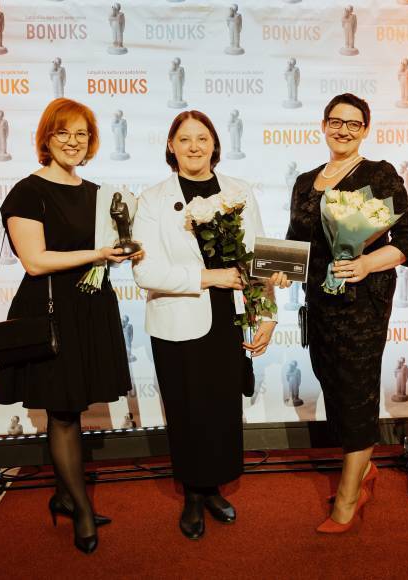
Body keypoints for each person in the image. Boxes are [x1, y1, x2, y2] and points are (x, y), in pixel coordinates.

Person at [0, 98, 138, 555]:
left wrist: (125, 251)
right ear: (46, 137)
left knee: (74, 405)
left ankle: (63, 495)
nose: (73, 142)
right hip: (50, 310)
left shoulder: (99, 194)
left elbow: (109, 246)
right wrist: (98, 254)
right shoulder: (27, 192)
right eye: (63, 133)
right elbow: (35, 262)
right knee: (62, 412)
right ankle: (80, 510)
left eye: (82, 134)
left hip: (91, 309)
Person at [131, 110, 281, 541]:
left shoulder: (239, 191)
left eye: (202, 138)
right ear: (171, 146)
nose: (194, 146)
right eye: (184, 139)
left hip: (227, 318)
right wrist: (209, 277)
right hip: (177, 319)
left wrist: (268, 314)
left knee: (220, 409)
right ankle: (192, 495)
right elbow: (145, 273)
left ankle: (213, 487)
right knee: (185, 411)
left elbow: (258, 258)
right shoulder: (153, 199)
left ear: (215, 144)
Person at [285, 93, 408, 533]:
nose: (343, 130)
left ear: (365, 129)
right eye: (335, 121)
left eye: (353, 123)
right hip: (319, 304)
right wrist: (275, 272)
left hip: (362, 306)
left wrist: (366, 263)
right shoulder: (305, 182)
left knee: (357, 390)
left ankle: (348, 497)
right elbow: (296, 243)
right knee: (332, 384)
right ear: (323, 125)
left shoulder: (379, 174)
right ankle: (363, 468)